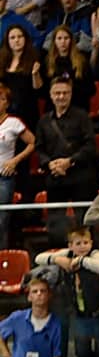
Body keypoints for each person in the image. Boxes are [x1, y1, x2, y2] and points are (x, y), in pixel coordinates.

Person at [36, 225, 99, 357]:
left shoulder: (94, 255)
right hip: (80, 313)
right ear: (70, 245)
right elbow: (39, 258)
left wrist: (81, 261)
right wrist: (57, 259)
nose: (82, 246)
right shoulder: (67, 254)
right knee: (81, 351)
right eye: (78, 243)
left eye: (86, 242)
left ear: (91, 243)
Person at [34, 77, 97, 245]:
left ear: (71, 94)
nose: (61, 96)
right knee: (55, 222)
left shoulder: (82, 117)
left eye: (65, 93)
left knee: (84, 220)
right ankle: (57, 251)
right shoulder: (44, 121)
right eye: (57, 93)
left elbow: (90, 146)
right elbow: (39, 148)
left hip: (81, 176)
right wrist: (49, 164)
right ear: (50, 95)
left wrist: (69, 161)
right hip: (55, 177)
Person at [0, 82, 34, 248]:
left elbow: (33, 142)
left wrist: (15, 160)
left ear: (7, 103)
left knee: (1, 219)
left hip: (3, 177)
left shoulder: (14, 122)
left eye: (1, 99)